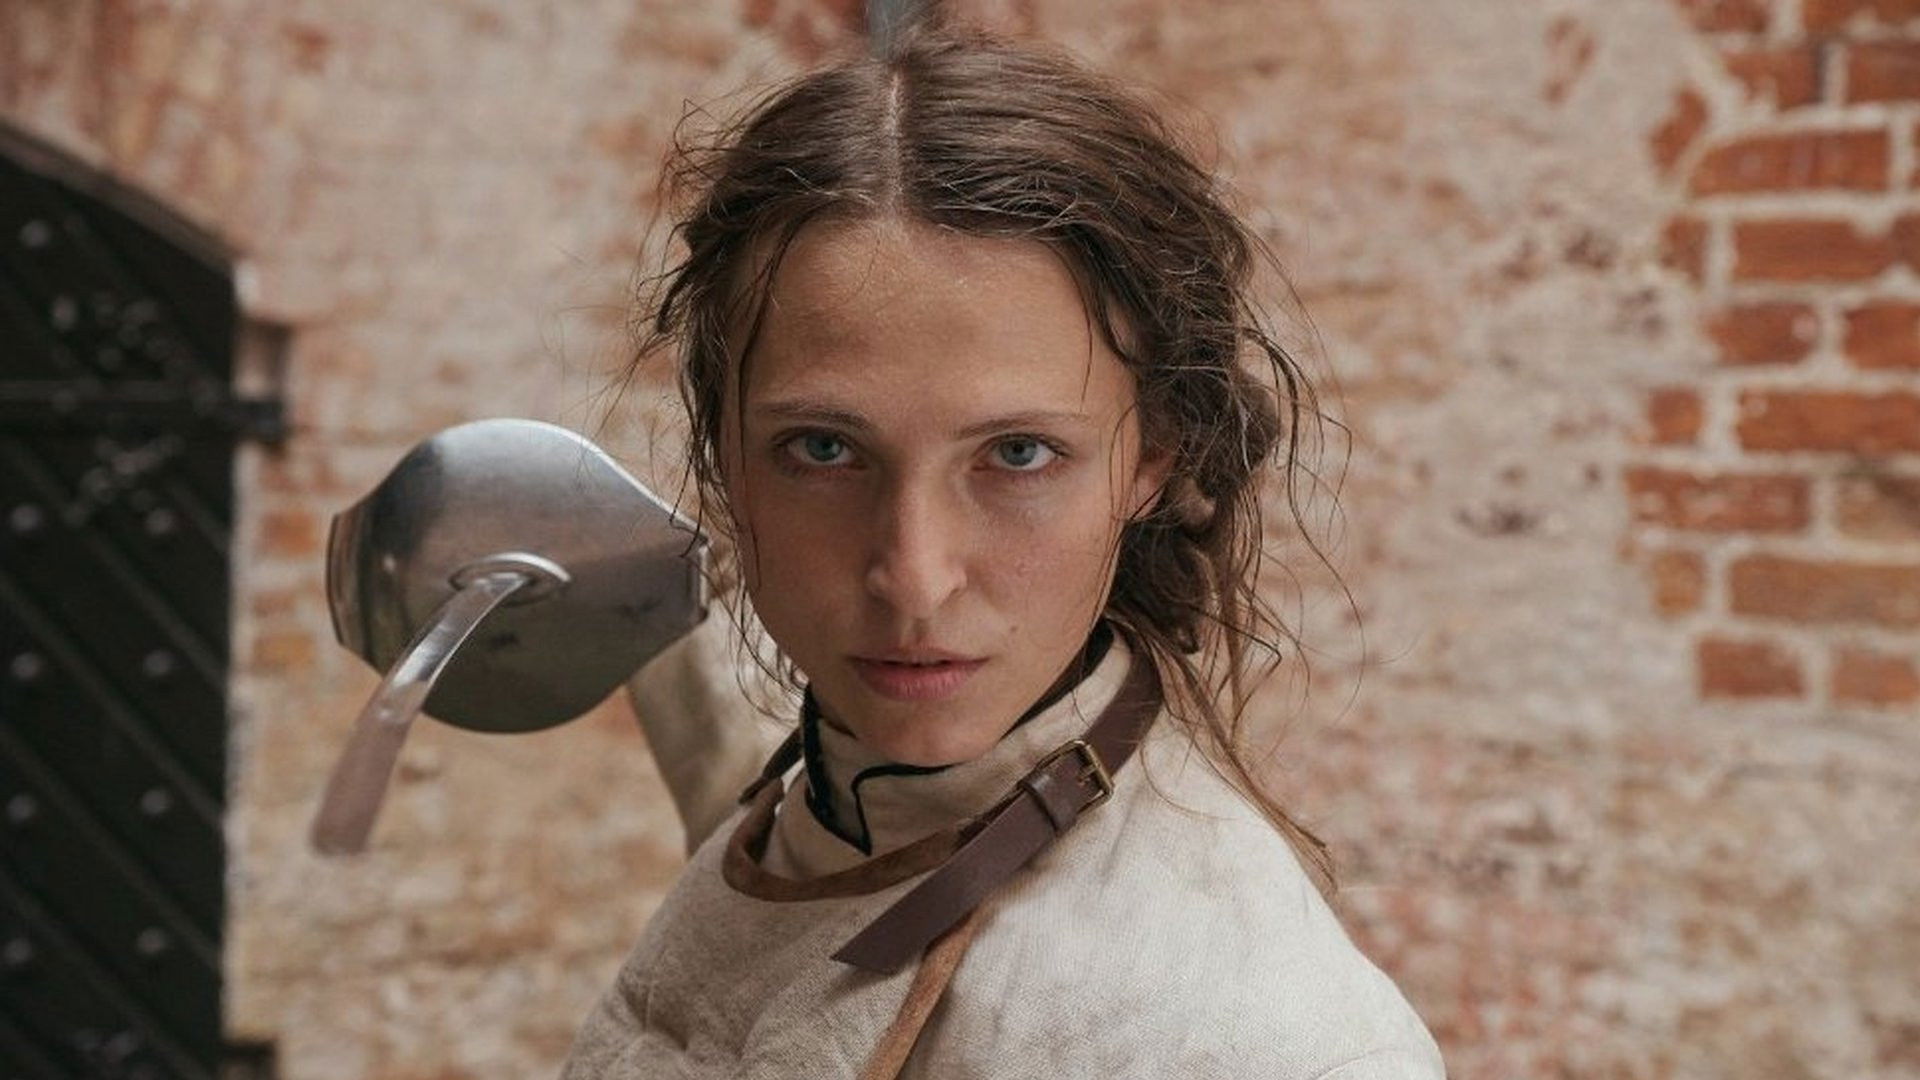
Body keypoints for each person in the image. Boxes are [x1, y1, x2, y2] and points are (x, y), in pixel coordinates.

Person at [565, 14, 1446, 1079]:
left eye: (1018, 454)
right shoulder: (835, 774)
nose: (914, 579)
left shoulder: (1264, 1041)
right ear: (724, 454)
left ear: (1153, 456)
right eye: (824, 449)